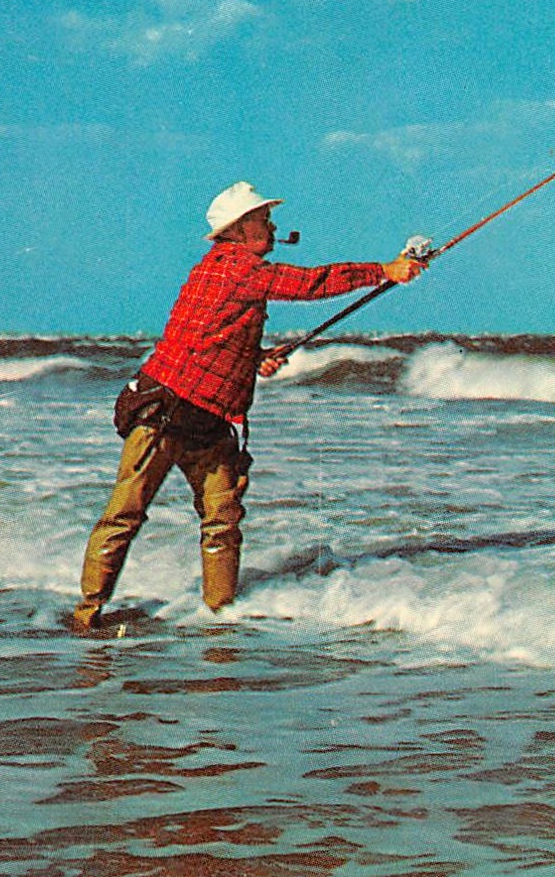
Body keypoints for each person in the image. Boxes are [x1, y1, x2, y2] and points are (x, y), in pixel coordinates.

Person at [70, 181, 424, 631]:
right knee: (129, 513)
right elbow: (309, 283)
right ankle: (87, 614)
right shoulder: (235, 267)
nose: (272, 226)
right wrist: (384, 271)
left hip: (208, 418)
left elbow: (207, 334)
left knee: (221, 517)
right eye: (264, 219)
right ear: (239, 229)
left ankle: (219, 617)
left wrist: (253, 358)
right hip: (166, 412)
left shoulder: (219, 271)